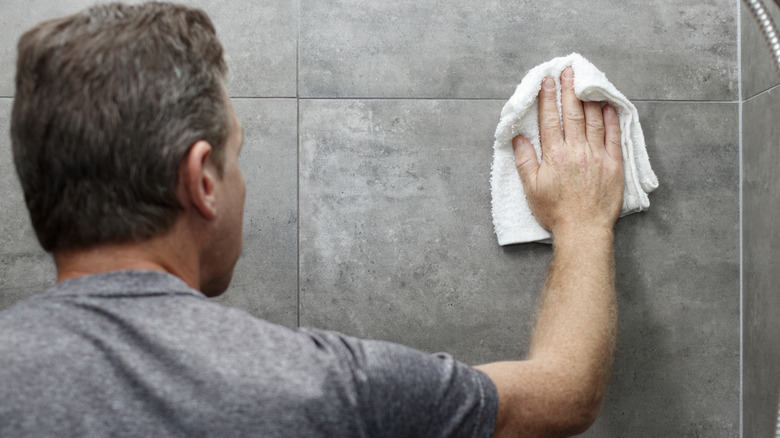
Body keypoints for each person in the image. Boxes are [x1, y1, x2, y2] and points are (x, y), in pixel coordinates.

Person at [0, 2, 624, 437]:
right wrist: (584, 223)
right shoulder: (323, 387)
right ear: (202, 181)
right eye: (236, 154)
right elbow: (564, 394)